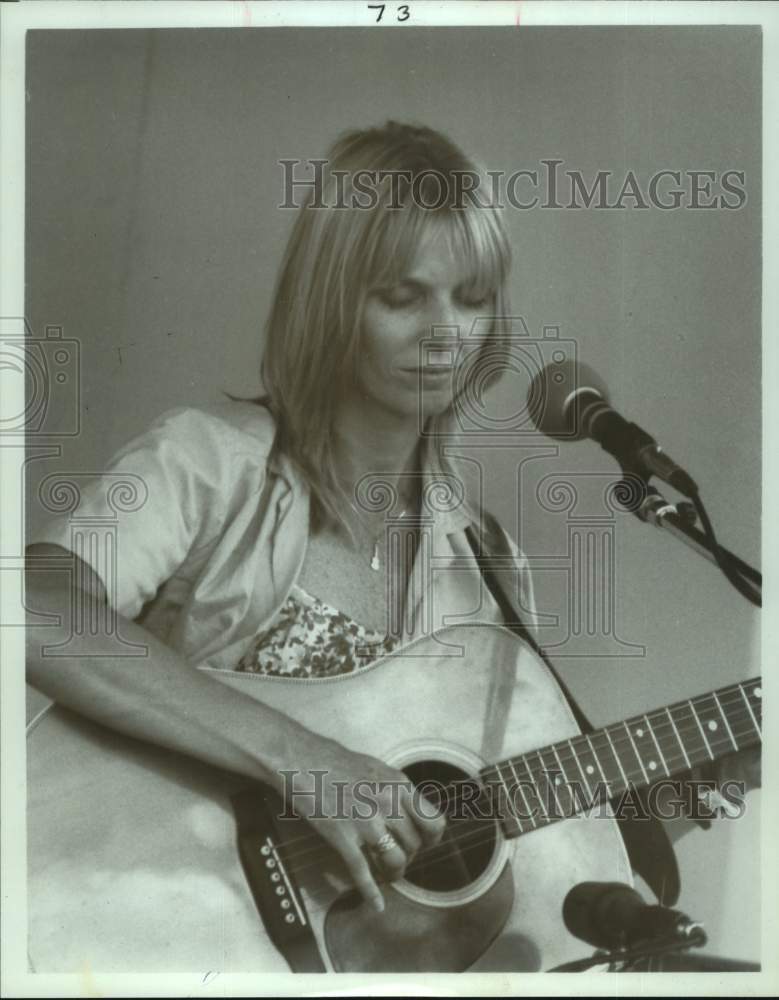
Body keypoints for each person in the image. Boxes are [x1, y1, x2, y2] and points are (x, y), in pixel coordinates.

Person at [25, 121, 758, 952]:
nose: (444, 331)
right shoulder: (207, 461)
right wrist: (302, 759)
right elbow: (30, 607)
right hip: (123, 911)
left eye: (471, 298)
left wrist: (686, 799)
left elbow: (491, 850)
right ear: (332, 301)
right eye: (402, 296)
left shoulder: (485, 569)